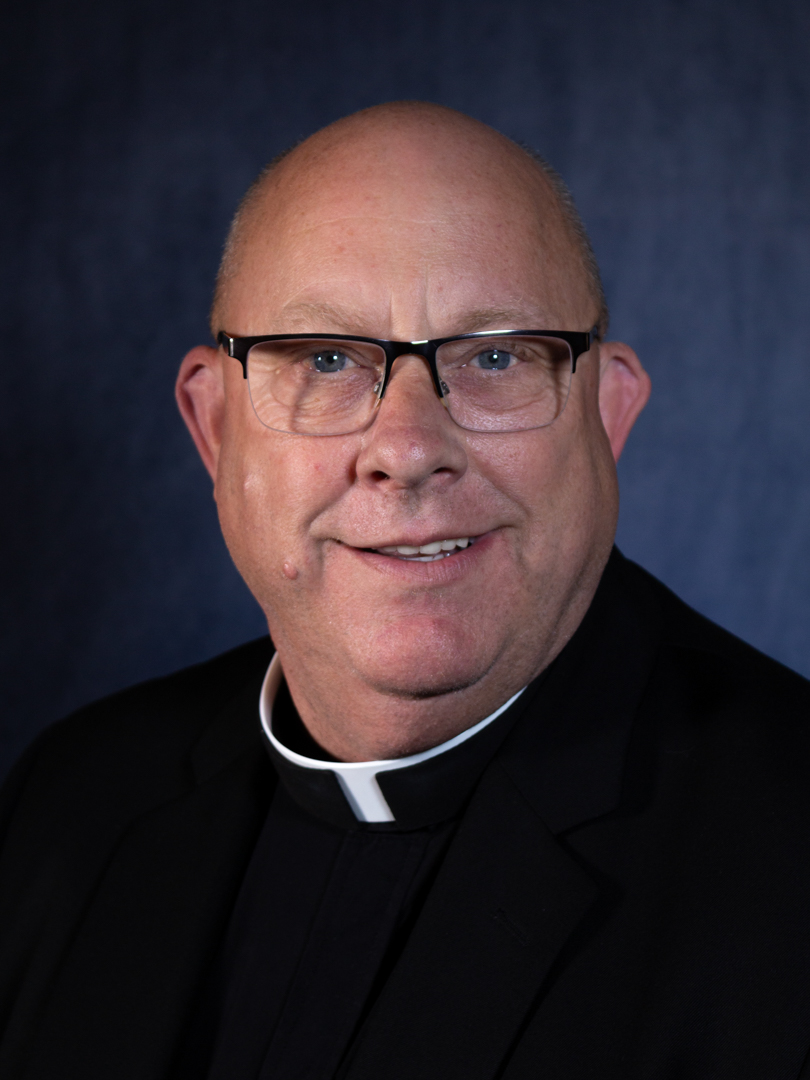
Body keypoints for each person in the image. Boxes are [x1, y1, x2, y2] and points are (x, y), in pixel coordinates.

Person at [1, 102, 809, 1080]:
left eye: (497, 356)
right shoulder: (73, 801)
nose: (409, 450)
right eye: (327, 360)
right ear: (214, 430)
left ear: (609, 412)